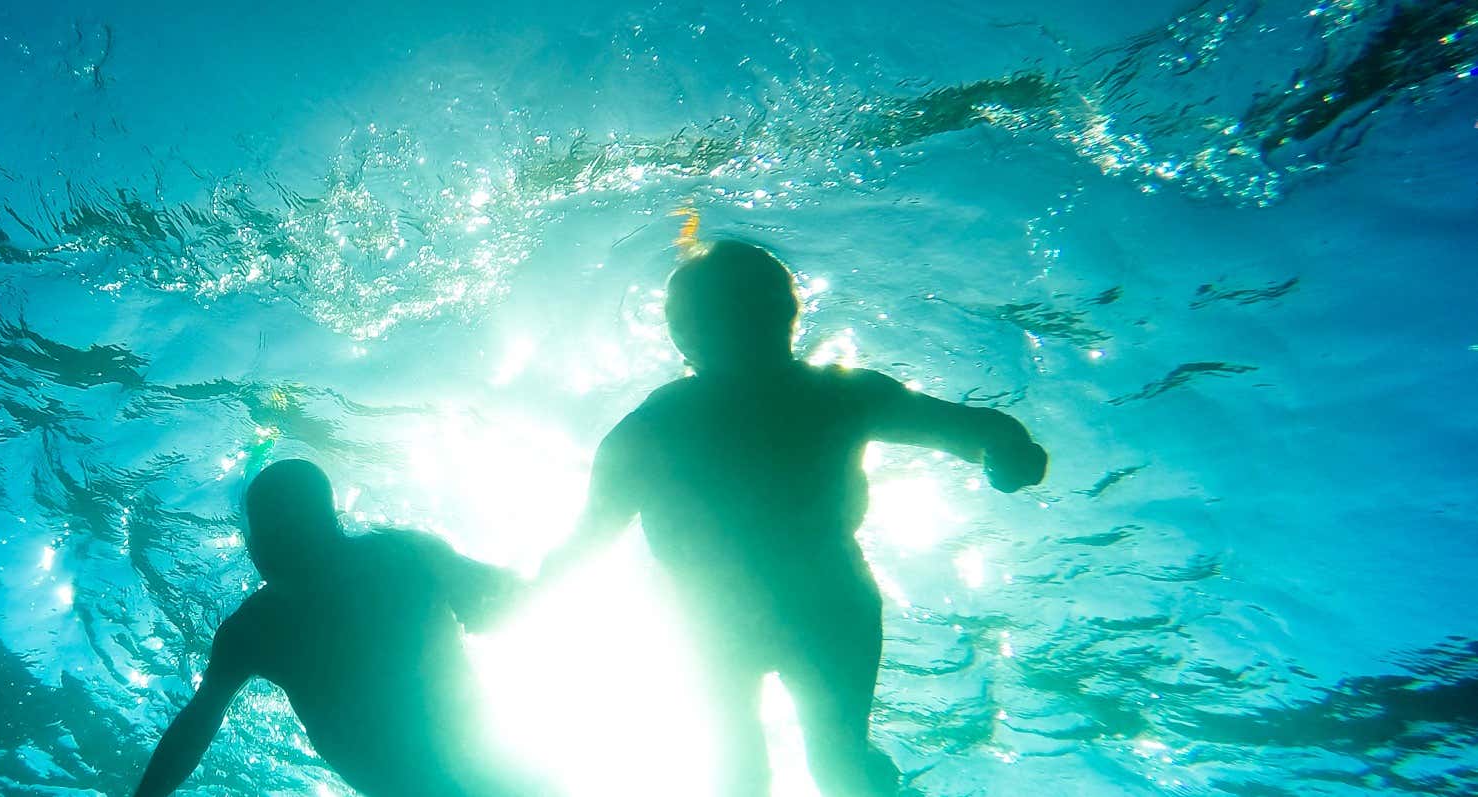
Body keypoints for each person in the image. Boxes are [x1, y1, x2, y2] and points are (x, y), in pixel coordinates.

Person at [537, 239, 1048, 796]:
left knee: (763, 773)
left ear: (682, 333)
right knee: (823, 766)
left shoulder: (655, 428)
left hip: (740, 616)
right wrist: (1010, 447)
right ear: (788, 313)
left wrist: (521, 595)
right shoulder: (833, 395)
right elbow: (975, 429)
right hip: (814, 606)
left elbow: (584, 544)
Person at [135, 459, 529, 797]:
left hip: (474, 771)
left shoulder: (257, 628)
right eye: (272, 538)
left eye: (285, 535)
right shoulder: (405, 556)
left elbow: (195, 727)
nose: (274, 550)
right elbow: (193, 728)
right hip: (476, 769)